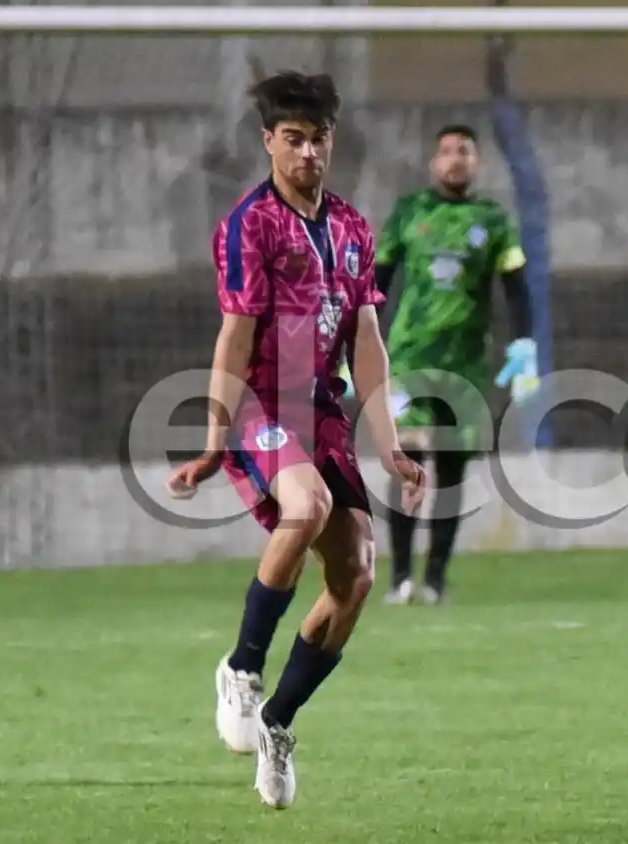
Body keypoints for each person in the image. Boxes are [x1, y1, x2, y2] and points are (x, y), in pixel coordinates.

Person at [167, 71, 426, 810]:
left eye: (317, 140)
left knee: (357, 578)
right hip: (260, 402)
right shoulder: (248, 225)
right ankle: (242, 669)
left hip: (323, 411)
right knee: (304, 506)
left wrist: (392, 441)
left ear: (331, 141)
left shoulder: (351, 226)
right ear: (268, 143)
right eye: (292, 140)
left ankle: (278, 719)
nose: (306, 152)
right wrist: (217, 437)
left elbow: (367, 338)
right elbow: (234, 336)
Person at [368, 123, 536, 606]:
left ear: (476, 161)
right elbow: (377, 280)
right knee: (409, 461)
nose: (454, 159)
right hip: (409, 357)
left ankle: (436, 580)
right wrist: (353, 346)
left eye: (463, 151)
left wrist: (523, 345)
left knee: (454, 470)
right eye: (445, 151)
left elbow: (516, 287)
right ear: (433, 162)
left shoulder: (493, 220)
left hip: (466, 365)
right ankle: (400, 577)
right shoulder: (410, 212)